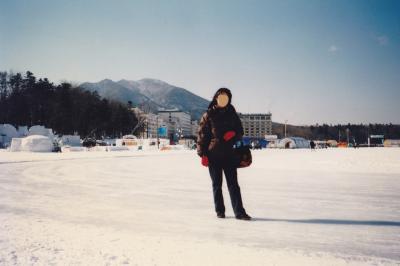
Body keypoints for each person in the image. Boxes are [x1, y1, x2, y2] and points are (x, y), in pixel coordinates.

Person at [196, 88, 251, 220]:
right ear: (216, 98)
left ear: (229, 99)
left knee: (233, 185)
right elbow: (202, 136)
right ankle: (220, 211)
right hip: (213, 155)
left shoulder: (232, 114)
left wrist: (234, 134)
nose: (223, 100)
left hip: (229, 155)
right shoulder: (208, 115)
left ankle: (239, 212)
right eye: (221, 97)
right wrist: (202, 154)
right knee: (217, 185)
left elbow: (240, 131)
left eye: (226, 98)